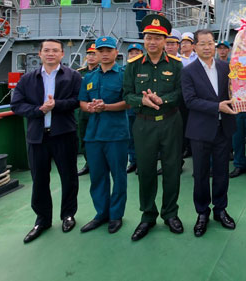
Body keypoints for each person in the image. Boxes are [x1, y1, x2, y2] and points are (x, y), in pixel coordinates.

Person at [11, 39, 82, 244]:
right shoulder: (27, 79)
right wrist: (38, 110)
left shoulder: (73, 76)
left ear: (62, 54)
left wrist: (56, 105)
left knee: (68, 177)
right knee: (39, 179)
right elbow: (16, 105)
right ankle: (42, 220)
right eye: (47, 50)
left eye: (55, 51)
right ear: (40, 54)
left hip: (63, 134)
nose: (50, 54)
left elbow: (78, 100)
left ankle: (68, 215)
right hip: (37, 136)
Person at [122, 14, 184, 241]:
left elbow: (180, 93)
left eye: (158, 38)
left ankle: (170, 213)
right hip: (144, 124)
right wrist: (142, 101)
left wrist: (162, 100)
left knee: (171, 169)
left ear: (165, 40)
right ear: (144, 40)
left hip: (170, 121)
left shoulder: (176, 65)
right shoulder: (133, 66)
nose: (152, 42)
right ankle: (148, 216)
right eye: (148, 37)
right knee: (146, 171)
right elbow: (127, 94)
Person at [181, 29, 238, 237]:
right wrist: (217, 107)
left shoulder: (226, 67)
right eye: (202, 43)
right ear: (195, 47)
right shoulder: (188, 71)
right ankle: (202, 212)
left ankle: (220, 209)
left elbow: (236, 91)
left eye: (210, 43)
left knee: (222, 172)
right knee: (201, 174)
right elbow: (190, 100)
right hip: (200, 131)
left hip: (224, 129)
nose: (207, 47)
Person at [78, 36, 130, 234]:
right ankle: (101, 213)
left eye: (109, 50)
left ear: (116, 53)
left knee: (118, 176)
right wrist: (89, 107)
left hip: (116, 134)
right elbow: (82, 101)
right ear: (96, 54)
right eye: (101, 51)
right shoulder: (89, 78)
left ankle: (116, 215)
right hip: (94, 135)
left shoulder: (123, 76)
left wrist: (106, 107)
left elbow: (129, 102)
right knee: (98, 176)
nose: (105, 54)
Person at [77, 43, 100, 176]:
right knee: (84, 138)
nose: (91, 57)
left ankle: (98, 163)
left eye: (94, 54)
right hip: (83, 111)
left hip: (98, 110)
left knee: (98, 139)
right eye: (89, 54)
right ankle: (88, 163)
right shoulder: (80, 73)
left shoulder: (101, 72)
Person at [125, 43, 144, 174]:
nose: (134, 55)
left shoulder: (147, 69)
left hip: (144, 110)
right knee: (131, 137)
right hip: (129, 109)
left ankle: (143, 163)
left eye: (137, 52)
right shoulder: (124, 70)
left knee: (144, 138)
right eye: (131, 53)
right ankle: (133, 161)